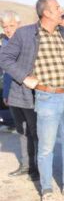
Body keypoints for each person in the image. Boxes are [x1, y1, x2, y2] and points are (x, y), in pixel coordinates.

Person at [0, 0, 64, 201]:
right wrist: (25, 78)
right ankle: (46, 189)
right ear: (46, 12)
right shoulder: (25, 34)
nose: (60, 9)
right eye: (56, 7)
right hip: (45, 97)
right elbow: (4, 58)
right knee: (46, 146)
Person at [1, 10, 38, 180]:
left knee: (34, 130)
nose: (8, 30)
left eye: (11, 26)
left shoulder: (27, 42)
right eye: (4, 26)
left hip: (28, 94)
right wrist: (6, 93)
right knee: (21, 131)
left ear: (19, 24)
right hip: (12, 94)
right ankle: (26, 164)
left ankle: (37, 166)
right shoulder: (5, 44)